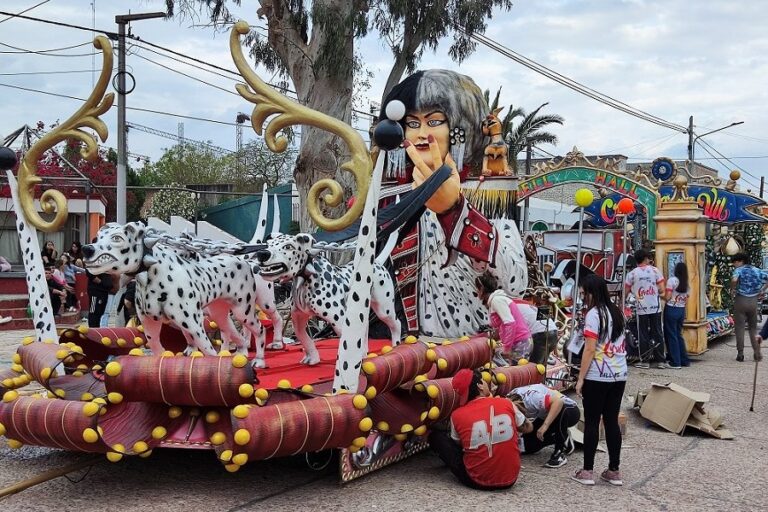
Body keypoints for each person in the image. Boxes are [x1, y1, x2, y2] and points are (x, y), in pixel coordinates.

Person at [367, 70, 528, 338]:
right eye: (413, 123)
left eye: (434, 121)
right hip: (388, 352)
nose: (421, 134)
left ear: (458, 128)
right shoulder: (385, 194)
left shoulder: (486, 191)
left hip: (463, 348)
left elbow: (516, 282)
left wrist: (454, 210)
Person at [428, 368, 532, 489]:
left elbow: (459, 444)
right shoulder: (506, 403)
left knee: (436, 437)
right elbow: (528, 428)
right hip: (510, 479)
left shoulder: (457, 415)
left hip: (476, 480)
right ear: (480, 386)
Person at [572, 275, 627, 486]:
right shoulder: (617, 312)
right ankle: (614, 470)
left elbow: (589, 349)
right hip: (619, 374)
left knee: (593, 421)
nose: (583, 297)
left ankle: (587, 471)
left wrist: (580, 378)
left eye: (585, 293)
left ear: (592, 293)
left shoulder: (594, 315)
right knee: (611, 420)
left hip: (597, 375)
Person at [509, 383, 579, 468]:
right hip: (546, 414)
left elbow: (558, 402)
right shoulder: (510, 399)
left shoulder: (532, 399)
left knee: (562, 408)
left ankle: (559, 452)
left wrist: (545, 426)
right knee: (526, 446)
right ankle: (561, 437)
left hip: (570, 410)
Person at [475, 273, 532, 363]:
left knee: (516, 373)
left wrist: (507, 347)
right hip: (517, 342)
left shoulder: (497, 300)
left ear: (482, 289)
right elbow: (500, 328)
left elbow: (509, 323)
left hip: (519, 343)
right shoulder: (495, 301)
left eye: (477, 289)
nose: (476, 292)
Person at [624, 249, 667, 369]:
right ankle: (660, 361)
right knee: (657, 332)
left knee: (643, 334)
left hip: (641, 308)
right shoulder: (655, 271)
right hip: (655, 307)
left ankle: (645, 361)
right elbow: (662, 289)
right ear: (645, 258)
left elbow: (626, 292)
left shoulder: (632, 274)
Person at [731, 253, 768, 362]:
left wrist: (732, 289)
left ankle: (740, 353)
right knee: (753, 328)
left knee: (740, 327)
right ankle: (756, 353)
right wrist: (762, 290)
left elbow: (734, 280)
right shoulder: (757, 270)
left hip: (741, 300)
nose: (734, 265)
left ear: (740, 261)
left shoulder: (739, 270)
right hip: (754, 301)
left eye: (735, 263)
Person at [664, 261, 690, 369]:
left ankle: (675, 362)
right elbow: (686, 300)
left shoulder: (672, 281)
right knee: (678, 335)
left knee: (671, 335)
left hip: (671, 308)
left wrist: (661, 295)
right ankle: (684, 359)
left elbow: (668, 297)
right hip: (681, 309)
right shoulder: (687, 284)